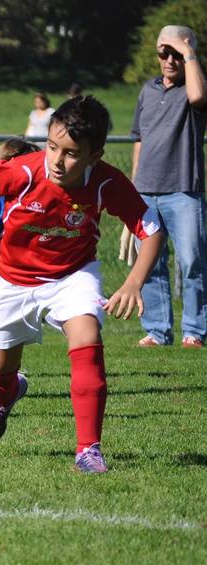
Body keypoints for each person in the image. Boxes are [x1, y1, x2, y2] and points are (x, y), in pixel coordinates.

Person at [0, 96, 164, 473]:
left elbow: (151, 229)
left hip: (73, 275)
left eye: (71, 153)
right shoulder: (24, 171)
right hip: (15, 279)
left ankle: (88, 449)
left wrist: (134, 281)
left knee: (88, 340)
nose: (57, 160)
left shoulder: (107, 181)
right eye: (52, 147)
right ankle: (3, 397)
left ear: (95, 155)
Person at [131, 24, 207, 350]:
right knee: (150, 265)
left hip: (183, 191)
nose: (170, 59)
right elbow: (138, 139)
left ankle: (195, 332)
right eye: (164, 52)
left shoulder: (196, 84)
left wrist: (188, 50)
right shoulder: (147, 90)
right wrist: (131, 189)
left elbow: (198, 96)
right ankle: (157, 331)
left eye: (176, 53)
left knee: (191, 262)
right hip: (144, 191)